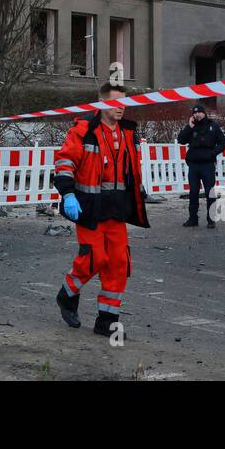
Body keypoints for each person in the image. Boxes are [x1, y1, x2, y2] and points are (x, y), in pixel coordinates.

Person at [53, 81, 150, 337]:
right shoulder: (84, 129)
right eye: (116, 103)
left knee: (119, 263)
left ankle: (107, 321)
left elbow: (130, 167)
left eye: (124, 103)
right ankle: (68, 293)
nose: (121, 109)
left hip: (117, 208)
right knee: (95, 258)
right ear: (103, 103)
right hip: (89, 207)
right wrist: (68, 194)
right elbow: (65, 161)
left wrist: (137, 191)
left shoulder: (128, 131)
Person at [177, 103, 225, 228]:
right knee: (193, 192)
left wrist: (213, 152)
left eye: (199, 112)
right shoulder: (192, 127)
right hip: (193, 164)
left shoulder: (212, 126)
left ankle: (211, 219)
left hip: (207, 164)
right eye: (195, 112)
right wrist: (189, 126)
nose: (197, 115)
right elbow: (181, 140)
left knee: (209, 191)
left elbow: (223, 142)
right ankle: (193, 219)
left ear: (204, 113)